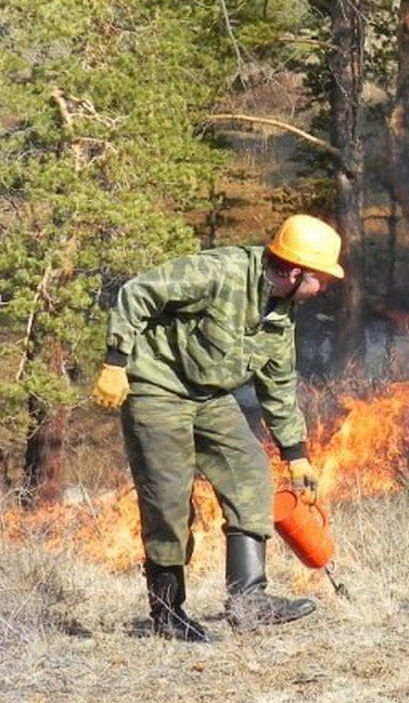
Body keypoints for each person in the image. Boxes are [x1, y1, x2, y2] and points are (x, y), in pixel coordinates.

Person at [91, 214, 343, 642]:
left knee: (250, 472)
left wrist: (296, 453)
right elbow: (138, 293)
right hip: (156, 386)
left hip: (208, 397)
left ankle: (248, 603)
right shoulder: (220, 271)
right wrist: (116, 361)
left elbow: (278, 384)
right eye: (322, 278)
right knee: (168, 501)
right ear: (296, 271)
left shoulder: (282, 315)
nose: (325, 288)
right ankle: (168, 614)